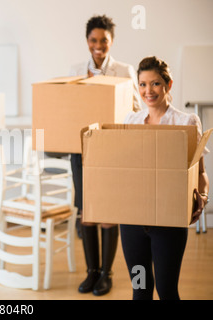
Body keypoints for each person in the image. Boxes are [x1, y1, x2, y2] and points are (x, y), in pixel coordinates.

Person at [120, 56, 209, 300]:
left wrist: (202, 196)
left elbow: (199, 172)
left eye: (155, 83)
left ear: (168, 85)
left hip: (168, 223)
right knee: (140, 288)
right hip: (132, 222)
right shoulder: (131, 121)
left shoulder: (186, 122)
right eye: (142, 84)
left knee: (167, 290)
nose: (148, 91)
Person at [69, 15, 141, 296]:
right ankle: (91, 272)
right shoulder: (75, 70)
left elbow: (136, 109)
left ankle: (106, 275)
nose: (98, 46)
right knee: (87, 212)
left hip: (113, 150)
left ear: (112, 42)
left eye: (104, 41)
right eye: (93, 41)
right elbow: (69, 110)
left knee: (108, 213)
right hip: (82, 150)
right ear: (87, 41)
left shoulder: (124, 70)